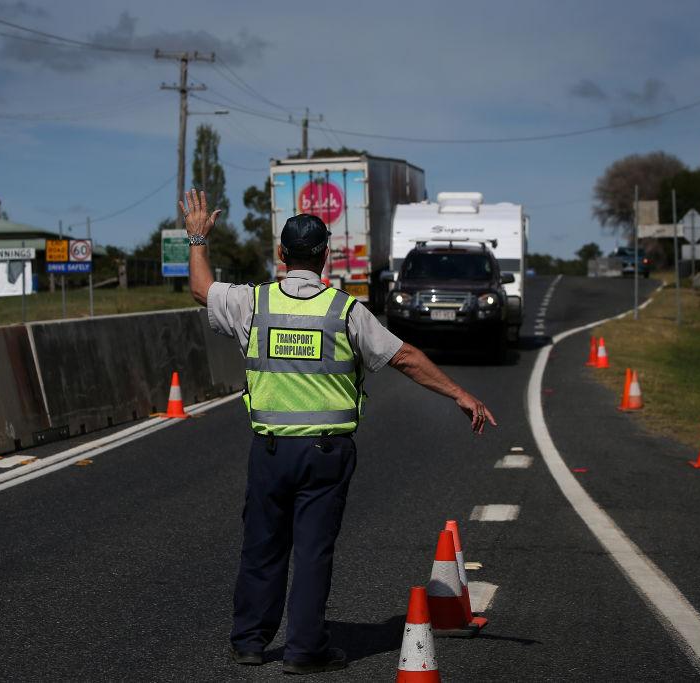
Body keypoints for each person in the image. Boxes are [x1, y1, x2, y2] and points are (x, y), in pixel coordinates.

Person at [180, 189, 497, 675]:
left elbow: (202, 289)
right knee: (312, 552)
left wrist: (198, 238)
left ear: (282, 254)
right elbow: (405, 357)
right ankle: (304, 651)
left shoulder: (252, 303)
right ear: (325, 255)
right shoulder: (346, 311)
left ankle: (249, 642)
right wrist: (459, 393)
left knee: (262, 546)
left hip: (270, 452)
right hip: (326, 454)